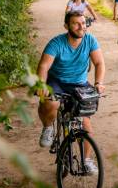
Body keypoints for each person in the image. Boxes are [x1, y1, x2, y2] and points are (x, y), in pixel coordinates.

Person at [37, 11, 106, 174]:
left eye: (83, 22)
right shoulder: (56, 43)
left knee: (85, 122)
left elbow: (99, 63)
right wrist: (40, 84)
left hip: (79, 84)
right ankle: (48, 127)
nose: (81, 26)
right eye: (76, 23)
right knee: (51, 102)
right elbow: (44, 66)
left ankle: (87, 160)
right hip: (57, 82)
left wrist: (98, 82)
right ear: (66, 26)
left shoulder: (90, 40)